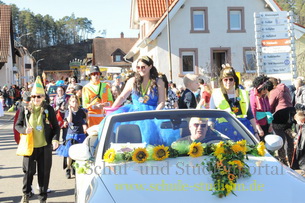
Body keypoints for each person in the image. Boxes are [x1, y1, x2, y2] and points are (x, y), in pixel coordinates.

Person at [15, 76, 60, 203]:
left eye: (39, 96)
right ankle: (26, 194)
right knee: (28, 172)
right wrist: (24, 130)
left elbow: (56, 127)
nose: (36, 99)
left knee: (44, 173)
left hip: (44, 146)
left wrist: (55, 140)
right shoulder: (24, 109)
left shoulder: (48, 109)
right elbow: (17, 125)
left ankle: (43, 197)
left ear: (43, 97)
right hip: (30, 146)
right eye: (34, 96)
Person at [106, 56, 165, 145]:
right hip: (135, 112)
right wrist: (112, 109)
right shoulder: (132, 81)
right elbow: (122, 97)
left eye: (143, 67)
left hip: (152, 113)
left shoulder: (158, 81)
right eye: (138, 67)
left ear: (150, 66)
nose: (140, 69)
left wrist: (155, 114)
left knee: (150, 138)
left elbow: (162, 102)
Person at [209, 64, 257, 141]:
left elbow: (250, 115)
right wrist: (210, 132)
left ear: (235, 80)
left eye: (231, 79)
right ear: (221, 80)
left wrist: (255, 132)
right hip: (224, 130)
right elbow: (211, 118)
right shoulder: (215, 94)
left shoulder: (244, 93)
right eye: (225, 79)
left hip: (243, 129)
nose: (228, 82)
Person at [56, 95, 87, 179]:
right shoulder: (67, 112)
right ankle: (68, 168)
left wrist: (85, 126)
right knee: (69, 154)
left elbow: (84, 120)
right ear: (69, 102)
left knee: (80, 153)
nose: (74, 103)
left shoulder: (81, 111)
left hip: (80, 134)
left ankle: (76, 167)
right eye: (72, 101)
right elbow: (69, 120)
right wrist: (70, 110)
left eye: (76, 102)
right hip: (71, 134)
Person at [269, 77, 296, 166]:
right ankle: (292, 159)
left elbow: (270, 105)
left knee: (280, 139)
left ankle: (283, 160)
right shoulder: (286, 88)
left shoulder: (274, 91)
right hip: (290, 113)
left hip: (280, 115)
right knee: (289, 138)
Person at [250, 75, 274, 142]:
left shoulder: (264, 97)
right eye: (265, 89)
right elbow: (253, 113)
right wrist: (258, 128)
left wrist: (270, 124)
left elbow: (269, 109)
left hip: (266, 123)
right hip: (259, 125)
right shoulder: (253, 96)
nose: (266, 91)